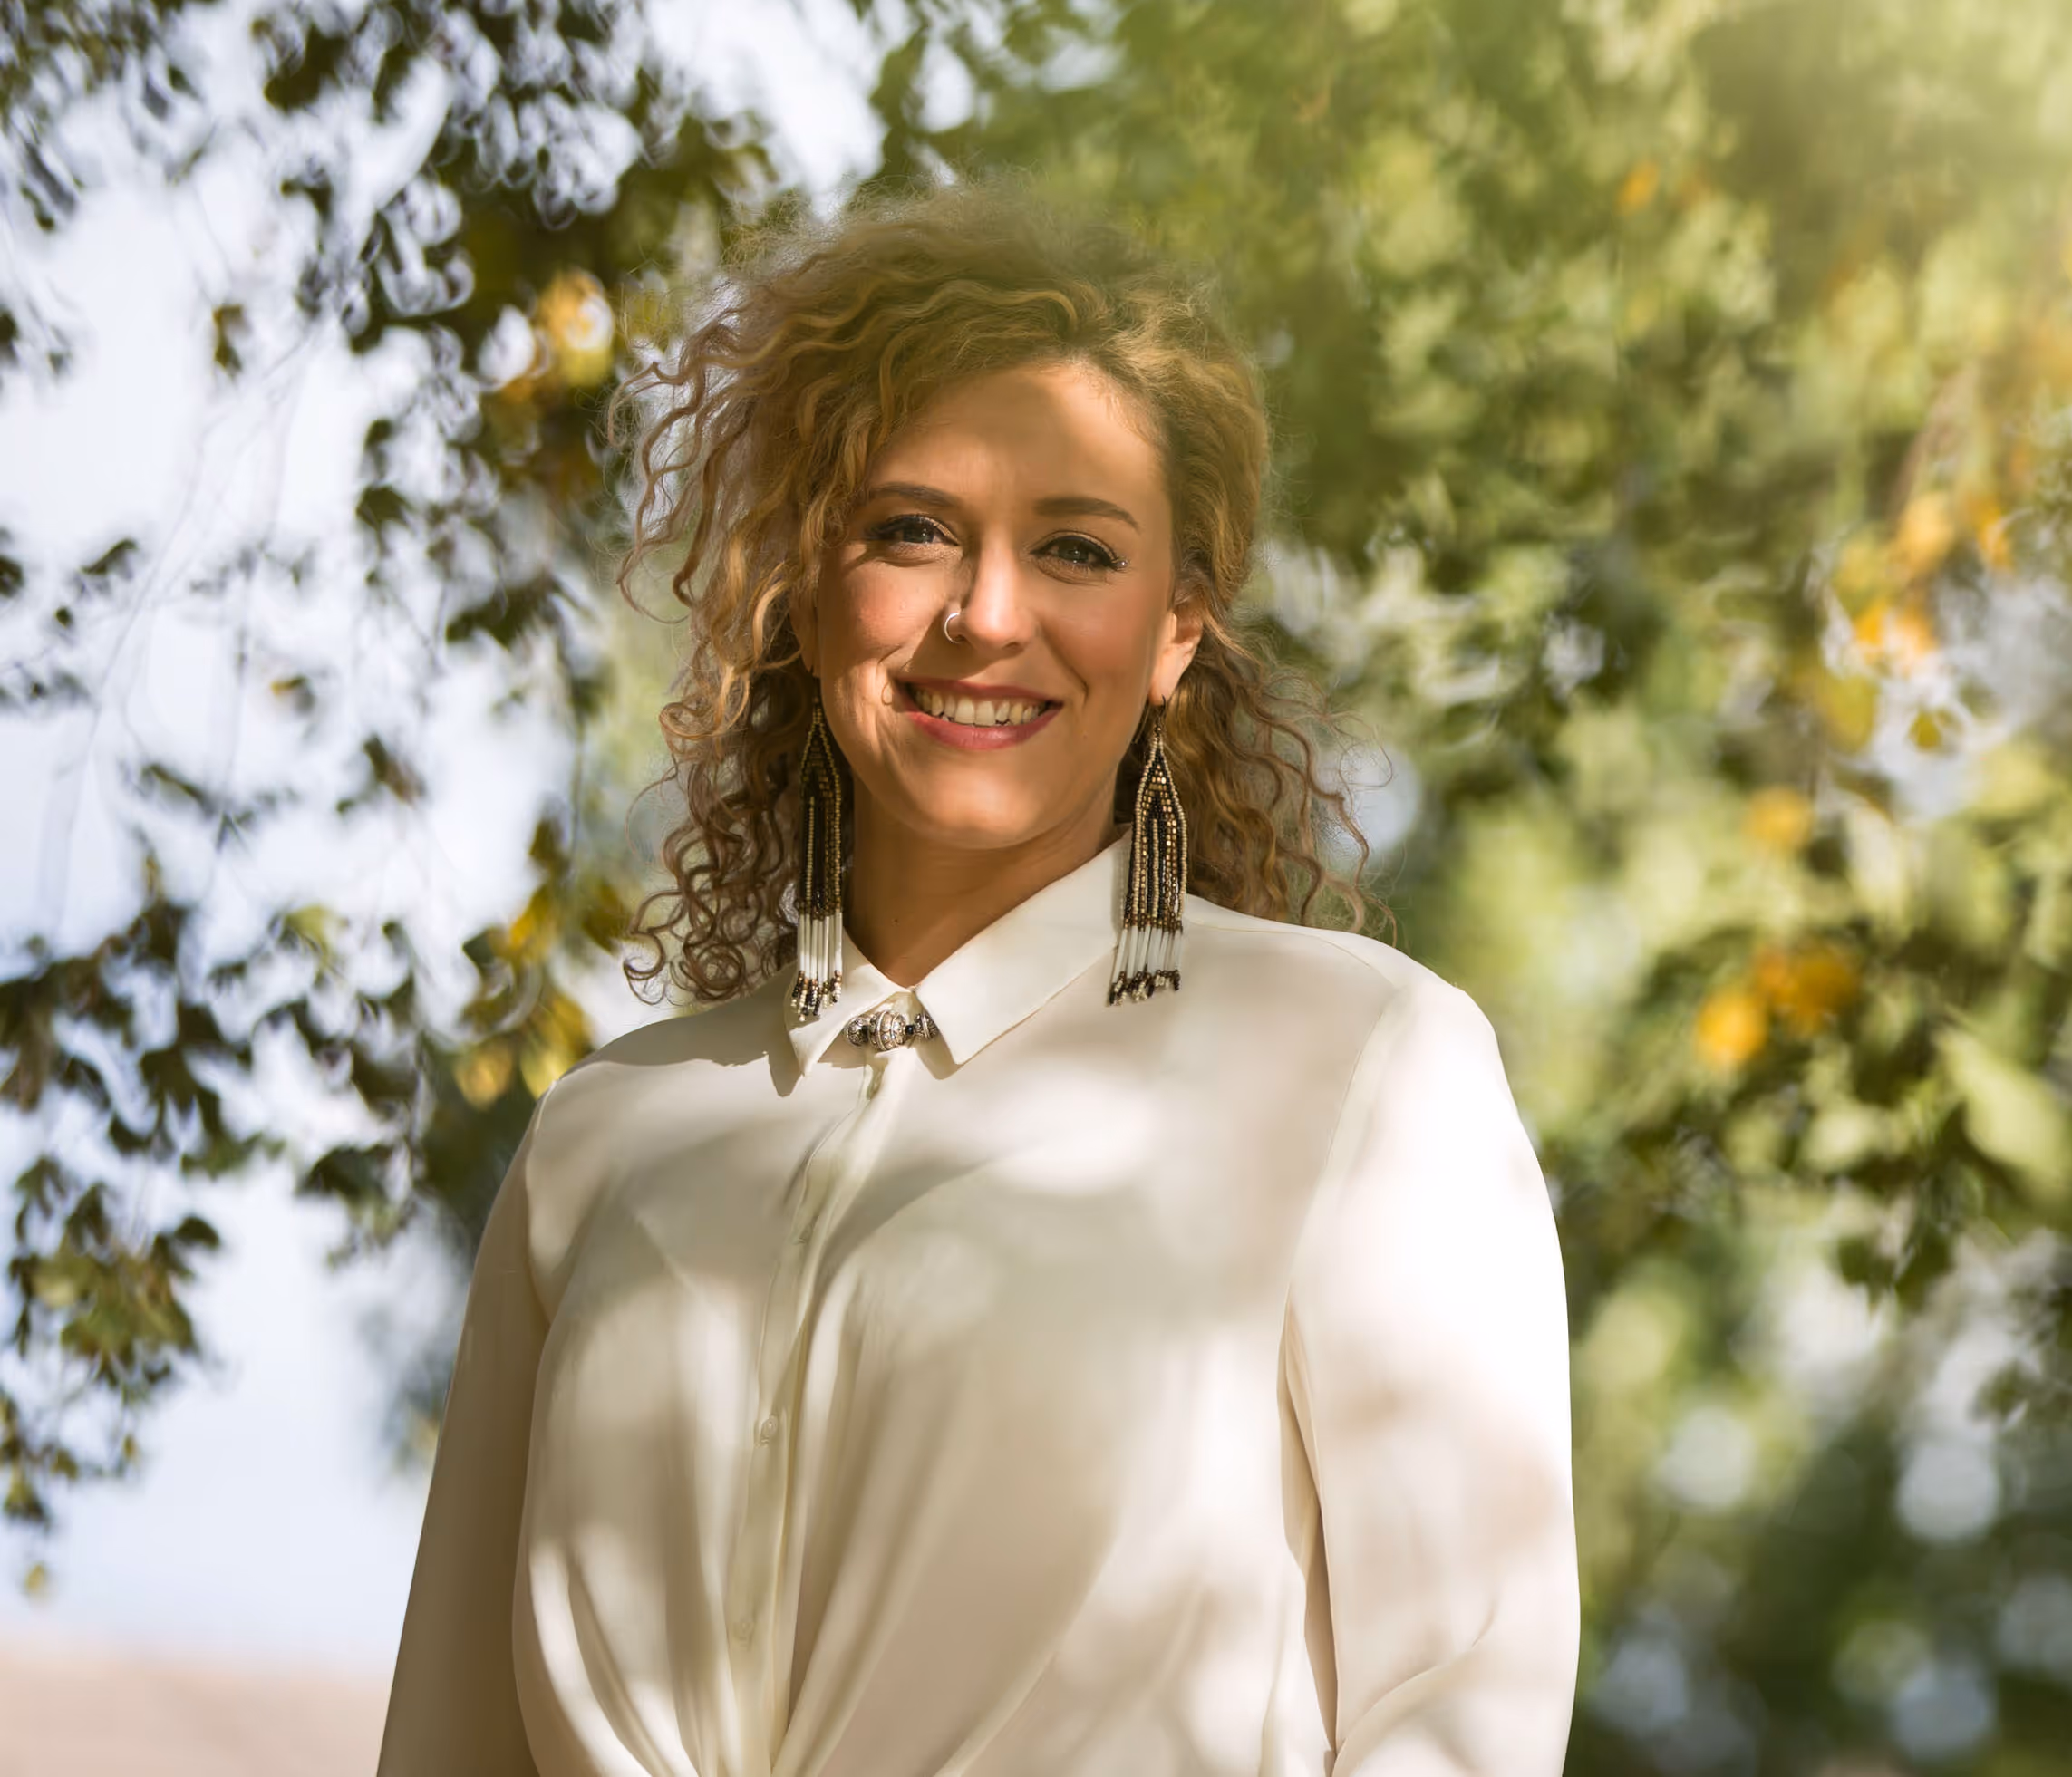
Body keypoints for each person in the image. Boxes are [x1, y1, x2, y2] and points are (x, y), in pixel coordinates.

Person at [377, 190, 1578, 1777]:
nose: (987, 615)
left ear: (1178, 628)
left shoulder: (1360, 1063)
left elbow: (1465, 1713)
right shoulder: (606, 1137)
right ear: (805, 584)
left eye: (1076, 548)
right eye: (912, 529)